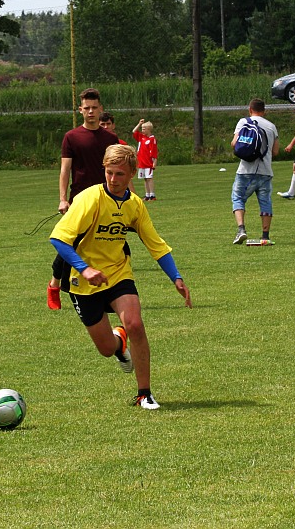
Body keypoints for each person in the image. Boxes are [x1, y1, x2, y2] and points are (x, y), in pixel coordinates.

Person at [49, 145, 191, 410]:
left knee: (135, 324)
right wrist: (85, 269)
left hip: (117, 273)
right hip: (83, 283)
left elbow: (155, 243)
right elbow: (59, 239)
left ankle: (144, 393)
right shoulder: (89, 199)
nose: (113, 179)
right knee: (105, 348)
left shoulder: (134, 205)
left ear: (132, 174)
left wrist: (176, 277)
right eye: (109, 173)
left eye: (120, 174)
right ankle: (118, 342)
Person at [46, 88, 120, 310]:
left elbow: (117, 170)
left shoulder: (111, 138)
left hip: (105, 200)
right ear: (80, 110)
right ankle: (54, 284)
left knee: (108, 244)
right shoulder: (72, 137)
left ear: (101, 109)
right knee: (72, 245)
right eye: (86, 108)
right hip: (79, 200)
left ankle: (108, 292)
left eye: (94, 108)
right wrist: (62, 199)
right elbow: (65, 170)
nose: (90, 112)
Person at [230, 98, 279, 245]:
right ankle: (265, 235)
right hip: (265, 171)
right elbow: (275, 151)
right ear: (264, 111)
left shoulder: (243, 122)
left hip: (246, 169)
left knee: (238, 197)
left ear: (250, 109)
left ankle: (241, 230)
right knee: (265, 202)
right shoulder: (272, 126)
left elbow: (234, 143)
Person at [131, 119, 158, 201]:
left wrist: (154, 162)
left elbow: (154, 152)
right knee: (145, 179)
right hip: (141, 162)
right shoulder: (141, 137)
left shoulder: (152, 139)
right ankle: (147, 194)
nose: (142, 130)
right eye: (142, 128)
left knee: (149, 178)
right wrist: (139, 124)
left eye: (143, 129)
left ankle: (152, 195)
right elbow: (134, 131)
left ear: (149, 129)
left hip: (148, 162)